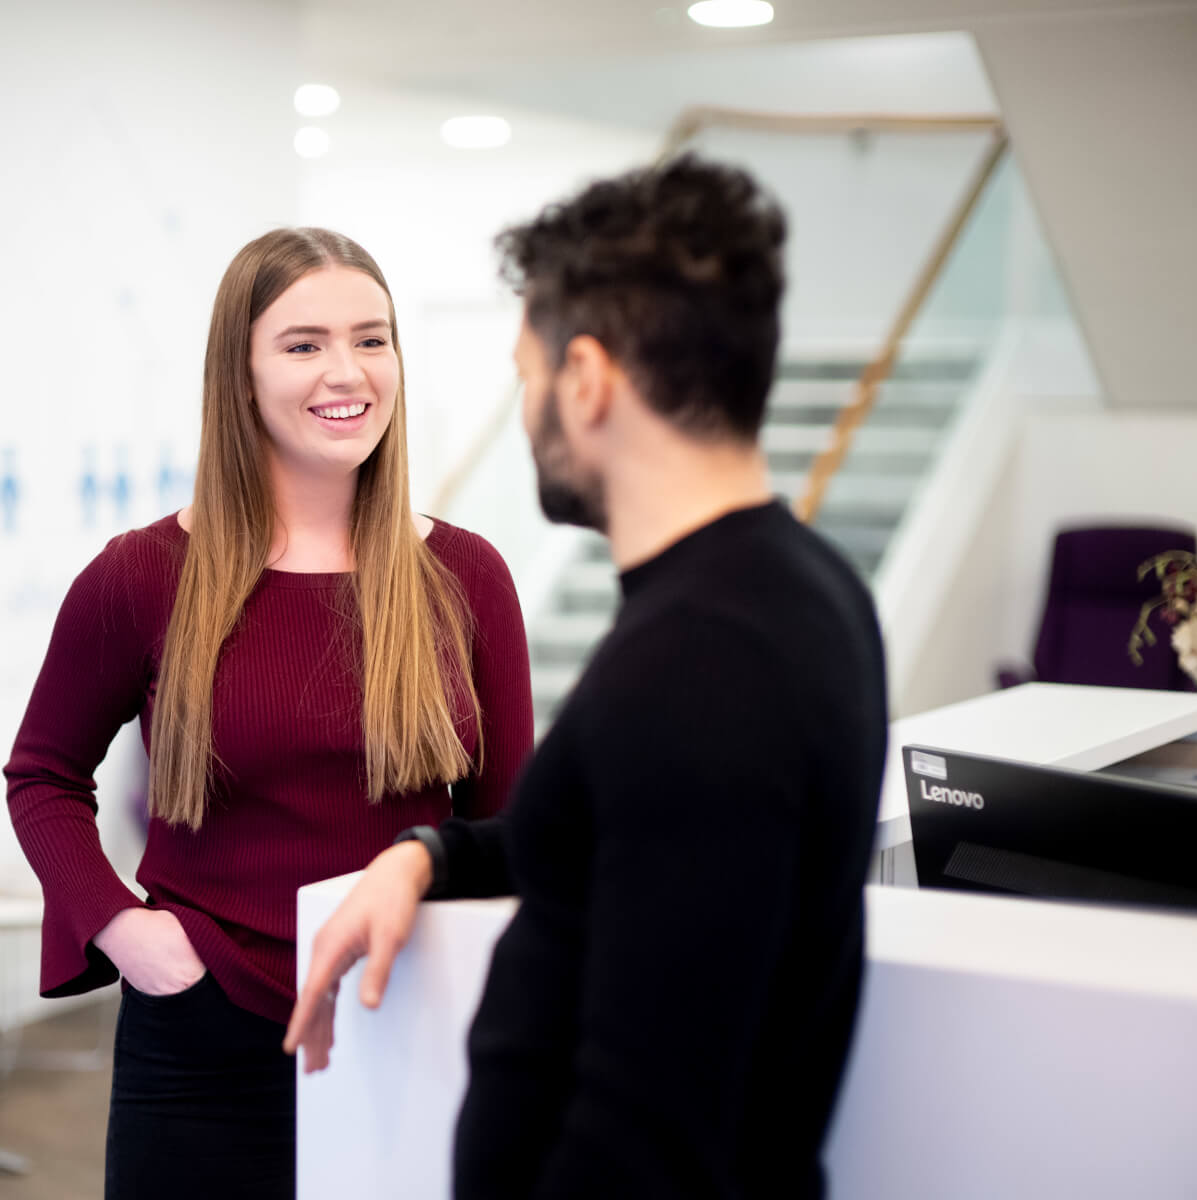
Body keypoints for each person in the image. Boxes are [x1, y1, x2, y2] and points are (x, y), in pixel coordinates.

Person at [285, 157, 889, 1199]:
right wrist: (429, 856)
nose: (526, 412)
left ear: (589, 382)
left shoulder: (702, 665)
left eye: (528, 376)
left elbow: (646, 1140)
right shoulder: (799, 587)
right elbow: (623, 832)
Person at [3, 227, 534, 1199]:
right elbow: (43, 775)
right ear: (240, 376)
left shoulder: (465, 576)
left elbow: (509, 830)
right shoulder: (143, 576)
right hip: (201, 1043)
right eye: (303, 344)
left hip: (404, 1018)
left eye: (371, 339)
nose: (348, 372)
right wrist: (123, 930)